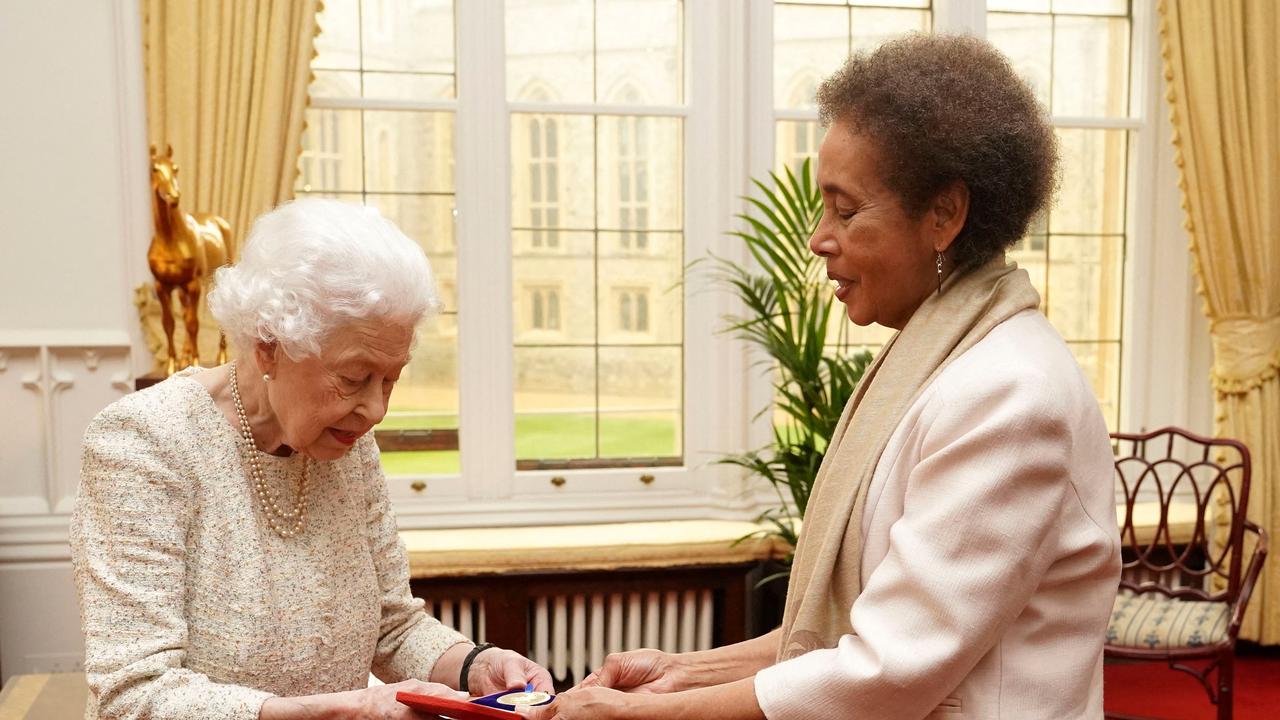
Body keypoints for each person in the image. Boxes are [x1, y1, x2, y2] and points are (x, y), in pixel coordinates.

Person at [525, 33, 1121, 720]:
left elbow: (890, 666)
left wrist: (643, 714)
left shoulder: (1008, 393)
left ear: (944, 215)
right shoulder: (940, 359)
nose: (817, 238)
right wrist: (683, 671)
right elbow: (855, 629)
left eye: (845, 208)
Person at [71, 199, 553, 720]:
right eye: (353, 377)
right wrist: (336, 711)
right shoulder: (144, 442)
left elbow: (392, 626)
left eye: (391, 379)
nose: (376, 410)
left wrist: (475, 664)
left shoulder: (345, 442)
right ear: (268, 346)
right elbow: (135, 695)